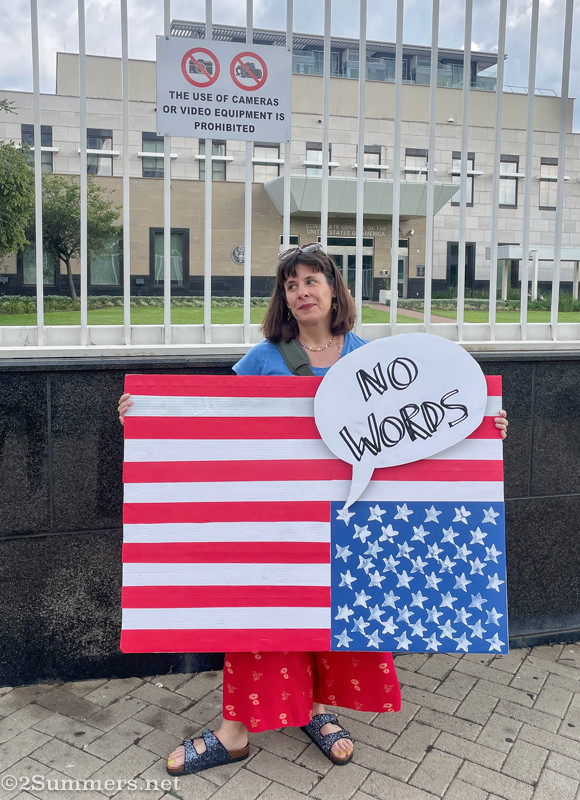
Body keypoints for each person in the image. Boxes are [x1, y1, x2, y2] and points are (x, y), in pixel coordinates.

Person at [118, 242, 509, 776]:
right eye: (290, 283)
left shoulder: (372, 359)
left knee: (332, 620)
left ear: (333, 290)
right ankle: (234, 732)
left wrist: (484, 427)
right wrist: (151, 423)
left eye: (311, 280)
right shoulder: (263, 358)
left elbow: (426, 429)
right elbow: (218, 424)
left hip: (349, 518)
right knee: (258, 617)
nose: (301, 291)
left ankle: (316, 711)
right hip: (275, 521)